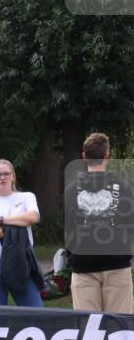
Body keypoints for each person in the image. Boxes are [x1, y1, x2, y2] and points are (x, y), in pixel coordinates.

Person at [64, 132, 134, 313]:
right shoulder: (124, 187)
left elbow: (69, 227)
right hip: (117, 263)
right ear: (107, 156)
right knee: (119, 329)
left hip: (83, 265)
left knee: (89, 331)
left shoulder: (71, 190)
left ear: (84, 157)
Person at [0, 159, 44, 307]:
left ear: (13, 176)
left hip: (21, 259)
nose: (2, 177)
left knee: (35, 313)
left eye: (6, 173)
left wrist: (2, 220)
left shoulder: (26, 197)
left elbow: (33, 217)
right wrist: (19, 225)